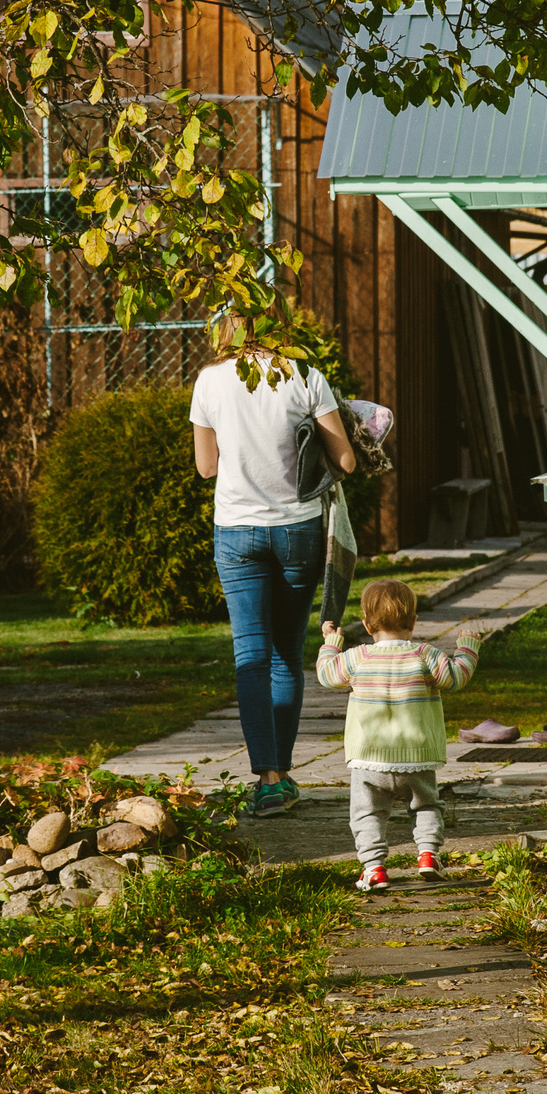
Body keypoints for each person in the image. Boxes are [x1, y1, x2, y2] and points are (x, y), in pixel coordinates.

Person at [189, 321, 356, 818]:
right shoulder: (304, 374)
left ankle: (267, 778)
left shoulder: (209, 381)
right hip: (297, 531)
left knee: (251, 654)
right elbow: (344, 459)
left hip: (236, 531)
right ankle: (280, 774)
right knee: (287, 653)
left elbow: (206, 467)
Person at [315, 578, 483, 892]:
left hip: (369, 759)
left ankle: (374, 868)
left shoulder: (358, 657)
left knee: (367, 813)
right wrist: (467, 649)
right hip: (417, 756)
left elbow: (326, 674)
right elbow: (457, 678)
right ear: (414, 621)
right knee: (427, 806)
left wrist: (330, 644)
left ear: (366, 624)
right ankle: (428, 856)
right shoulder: (425, 655)